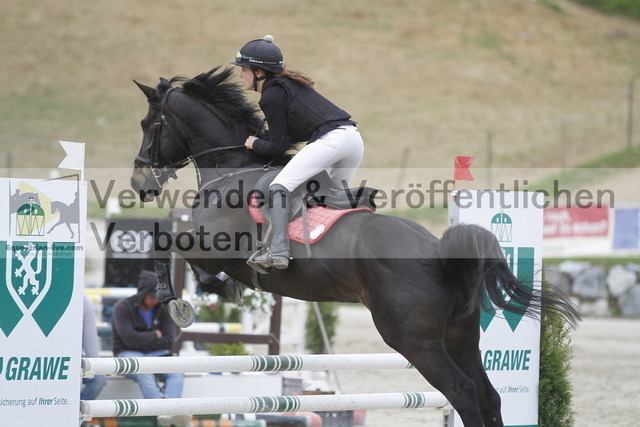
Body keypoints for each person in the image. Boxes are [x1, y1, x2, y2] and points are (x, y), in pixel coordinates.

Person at [231, 35, 364, 272]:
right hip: (353, 139)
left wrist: (255, 144)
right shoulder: (284, 86)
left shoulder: (271, 95)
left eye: (244, 70)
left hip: (333, 140)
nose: (241, 75)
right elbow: (289, 135)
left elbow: (278, 147)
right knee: (330, 201)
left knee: (279, 186)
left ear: (259, 72)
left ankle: (279, 250)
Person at [111, 270, 191, 427]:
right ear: (142, 292)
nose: (155, 300)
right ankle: (164, 414)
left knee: (177, 370)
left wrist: (141, 339)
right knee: (144, 370)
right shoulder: (122, 307)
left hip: (154, 354)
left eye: (157, 297)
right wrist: (155, 335)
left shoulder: (163, 308)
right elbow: (130, 340)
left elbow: (168, 341)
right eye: (151, 296)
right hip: (126, 354)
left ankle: (170, 413)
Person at [81, 295, 107, 399]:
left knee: (99, 378)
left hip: (73, 360)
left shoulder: (84, 301)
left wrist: (96, 364)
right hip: (43, 358)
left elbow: (90, 338)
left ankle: (77, 407)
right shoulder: (84, 301)